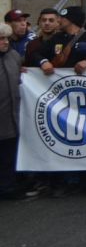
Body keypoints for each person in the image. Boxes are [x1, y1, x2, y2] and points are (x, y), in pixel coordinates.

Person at [30, 6, 86, 75]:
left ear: (71, 20)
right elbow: (36, 54)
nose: (59, 21)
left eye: (62, 18)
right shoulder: (57, 38)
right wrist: (43, 62)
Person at [0, 23, 27, 200]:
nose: (5, 42)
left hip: (10, 116)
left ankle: (7, 187)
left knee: (8, 155)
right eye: (1, 39)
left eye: (6, 38)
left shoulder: (13, 56)